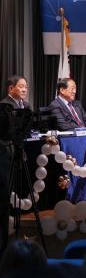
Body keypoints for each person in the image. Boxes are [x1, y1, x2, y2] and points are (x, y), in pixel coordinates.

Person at [0, 76, 27, 256]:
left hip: (17, 153)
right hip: (5, 156)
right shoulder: (4, 106)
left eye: (26, 86)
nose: (24, 89)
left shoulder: (26, 106)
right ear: (11, 88)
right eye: (21, 86)